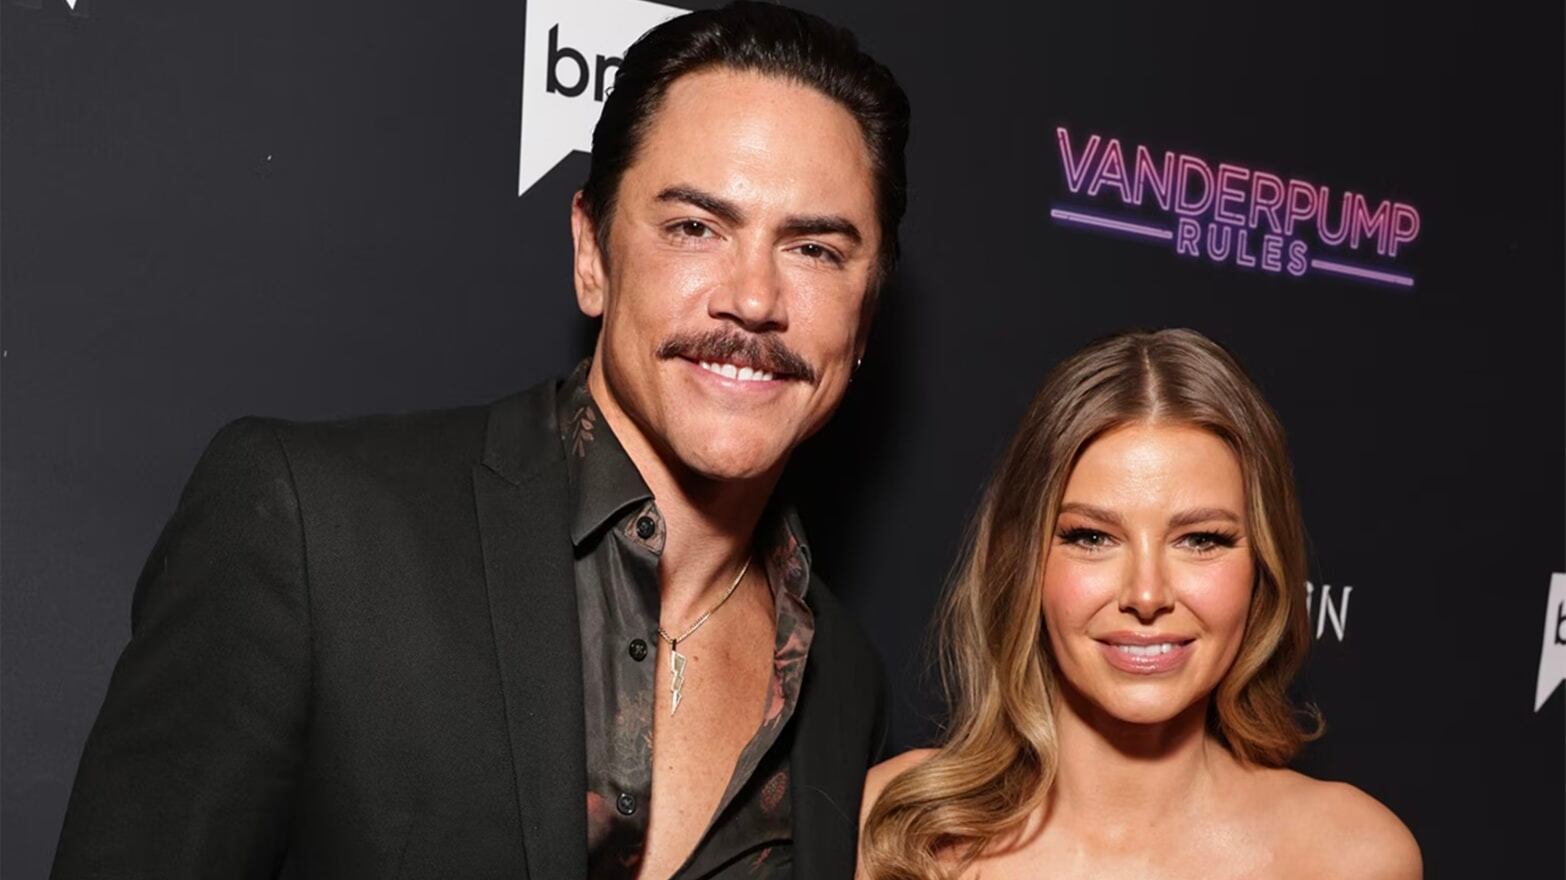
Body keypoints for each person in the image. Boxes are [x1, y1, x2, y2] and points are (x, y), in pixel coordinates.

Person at [51, 3, 909, 877]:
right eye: (695, 228)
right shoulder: (311, 530)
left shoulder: (842, 684)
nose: (753, 298)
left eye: (814, 250)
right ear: (591, 254)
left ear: (866, 315)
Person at [858, 329, 1420, 879]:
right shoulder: (891, 829)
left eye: (1201, 539)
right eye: (1092, 537)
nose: (1146, 595)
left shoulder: (1352, 856)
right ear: (1022, 560)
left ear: (1262, 567)